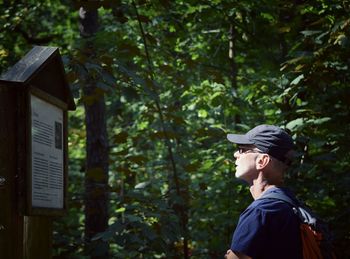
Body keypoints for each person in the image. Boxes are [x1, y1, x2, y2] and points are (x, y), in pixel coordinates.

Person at [224, 124, 302, 259]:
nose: (236, 154)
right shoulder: (290, 205)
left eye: (242, 149)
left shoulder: (261, 211)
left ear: (262, 161)